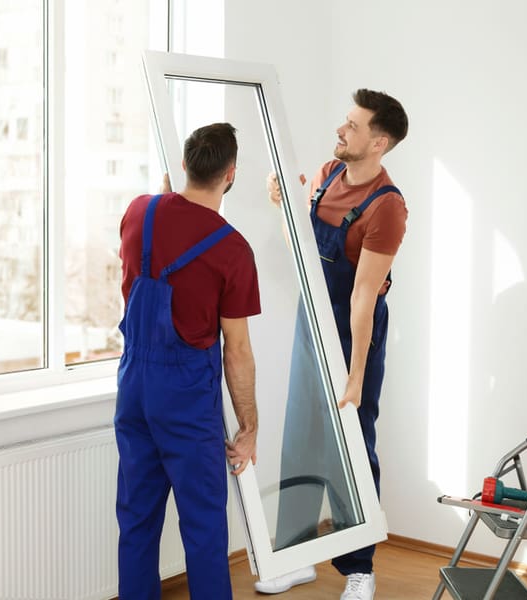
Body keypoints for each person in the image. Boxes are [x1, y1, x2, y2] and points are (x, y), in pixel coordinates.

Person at [255, 89, 409, 600]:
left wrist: (357, 374)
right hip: (311, 319)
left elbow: (363, 297)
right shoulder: (325, 175)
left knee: (352, 444)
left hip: (353, 330)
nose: (341, 131)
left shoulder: (387, 208)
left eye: (353, 125)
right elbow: (301, 250)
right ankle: (297, 554)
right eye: (345, 121)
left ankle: (359, 568)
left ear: (379, 141)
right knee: (301, 437)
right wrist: (284, 206)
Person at [115, 122, 260, 599]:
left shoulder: (140, 212)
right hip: (185, 398)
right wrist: (249, 425)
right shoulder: (233, 250)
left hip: (134, 387)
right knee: (203, 528)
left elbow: (157, 243)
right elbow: (235, 350)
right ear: (231, 175)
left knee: (137, 519)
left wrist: (165, 200)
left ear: (183, 165)